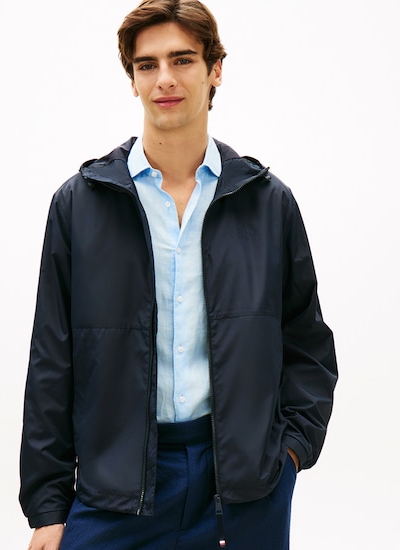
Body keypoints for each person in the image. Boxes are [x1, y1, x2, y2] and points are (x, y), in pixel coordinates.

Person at [19, 1, 338, 548]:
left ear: (215, 70)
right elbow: (52, 360)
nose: (164, 78)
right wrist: (48, 508)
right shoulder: (80, 204)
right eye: (147, 65)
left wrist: (288, 454)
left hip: (243, 490)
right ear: (133, 79)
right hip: (116, 487)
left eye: (183, 59)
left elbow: (307, 343)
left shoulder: (267, 202)